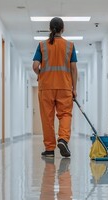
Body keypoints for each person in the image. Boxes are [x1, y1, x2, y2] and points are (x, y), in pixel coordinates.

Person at [32, 17, 78, 158]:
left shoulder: (42, 45)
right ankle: (63, 139)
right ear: (62, 29)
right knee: (65, 114)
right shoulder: (70, 46)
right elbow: (74, 69)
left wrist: (42, 75)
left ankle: (50, 149)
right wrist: (74, 88)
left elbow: (35, 66)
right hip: (64, 87)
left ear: (50, 28)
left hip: (46, 88)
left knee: (47, 118)